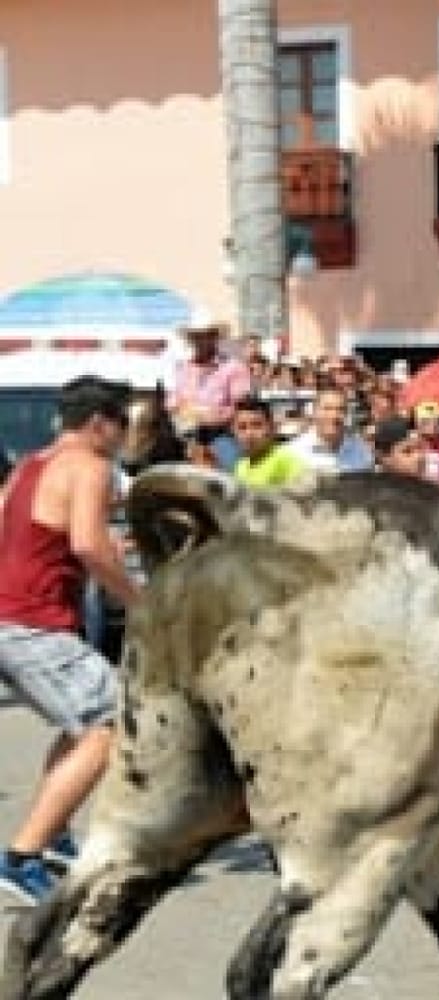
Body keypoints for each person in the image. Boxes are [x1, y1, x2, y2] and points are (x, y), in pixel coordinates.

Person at [0, 377, 142, 903]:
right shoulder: (90, 466)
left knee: (82, 721)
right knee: (111, 724)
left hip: (11, 617)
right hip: (33, 622)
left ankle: (54, 830)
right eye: (123, 424)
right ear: (100, 423)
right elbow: (86, 545)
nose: (125, 436)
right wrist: (139, 602)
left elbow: (27, 529)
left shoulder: (29, 465)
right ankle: (23, 857)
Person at [168, 313, 255, 471]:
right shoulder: (183, 368)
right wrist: (178, 410)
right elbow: (173, 400)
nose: (200, 340)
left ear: (215, 337)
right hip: (184, 435)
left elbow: (242, 406)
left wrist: (212, 417)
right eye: (196, 336)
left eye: (206, 335)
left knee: (231, 471)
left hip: (221, 435)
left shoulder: (233, 367)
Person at [285, 387, 373, 476]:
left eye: (340, 409)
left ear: (347, 414)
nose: (334, 415)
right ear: (314, 412)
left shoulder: (361, 450)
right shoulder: (293, 452)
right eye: (327, 409)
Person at [231, 397, 309, 488]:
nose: (249, 434)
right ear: (234, 431)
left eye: (257, 425)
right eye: (242, 427)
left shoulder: (286, 460)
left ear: (272, 428)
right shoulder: (241, 466)